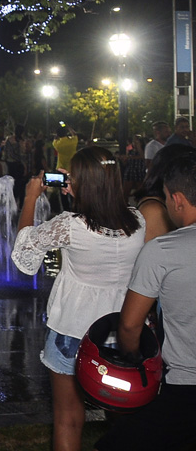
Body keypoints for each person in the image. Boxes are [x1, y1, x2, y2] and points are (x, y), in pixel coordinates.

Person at [12, 146, 144, 451]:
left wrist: (32, 196)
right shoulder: (138, 223)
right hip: (122, 332)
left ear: (88, 183)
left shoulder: (71, 226)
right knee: (123, 414)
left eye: (74, 177)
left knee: (68, 418)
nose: (69, 181)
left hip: (72, 330)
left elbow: (24, 253)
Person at [96, 151, 196, 451]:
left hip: (184, 386)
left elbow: (129, 325)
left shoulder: (163, 250)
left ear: (177, 199)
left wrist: (134, 362)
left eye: (165, 197)